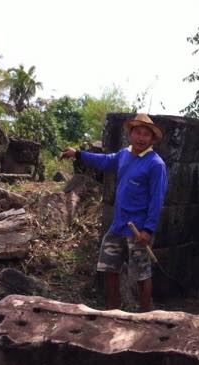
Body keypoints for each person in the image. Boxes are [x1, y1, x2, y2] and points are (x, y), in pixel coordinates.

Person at [61, 113, 168, 311]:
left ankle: (145, 318)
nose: (141, 137)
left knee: (141, 275)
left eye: (146, 134)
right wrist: (78, 154)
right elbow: (103, 160)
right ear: (130, 134)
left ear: (152, 139)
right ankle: (113, 311)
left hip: (138, 230)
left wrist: (148, 230)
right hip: (118, 226)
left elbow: (157, 200)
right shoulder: (124, 155)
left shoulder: (156, 164)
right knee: (109, 268)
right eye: (137, 132)